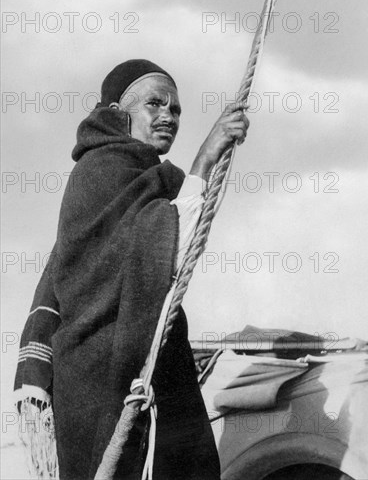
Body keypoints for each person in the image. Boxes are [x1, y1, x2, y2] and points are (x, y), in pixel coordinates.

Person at [15, 59, 249, 480]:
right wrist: (204, 158)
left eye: (176, 110)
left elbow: (157, 251)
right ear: (117, 113)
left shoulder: (148, 176)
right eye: (155, 105)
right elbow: (160, 243)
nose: (168, 117)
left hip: (149, 363)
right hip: (100, 377)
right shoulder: (100, 170)